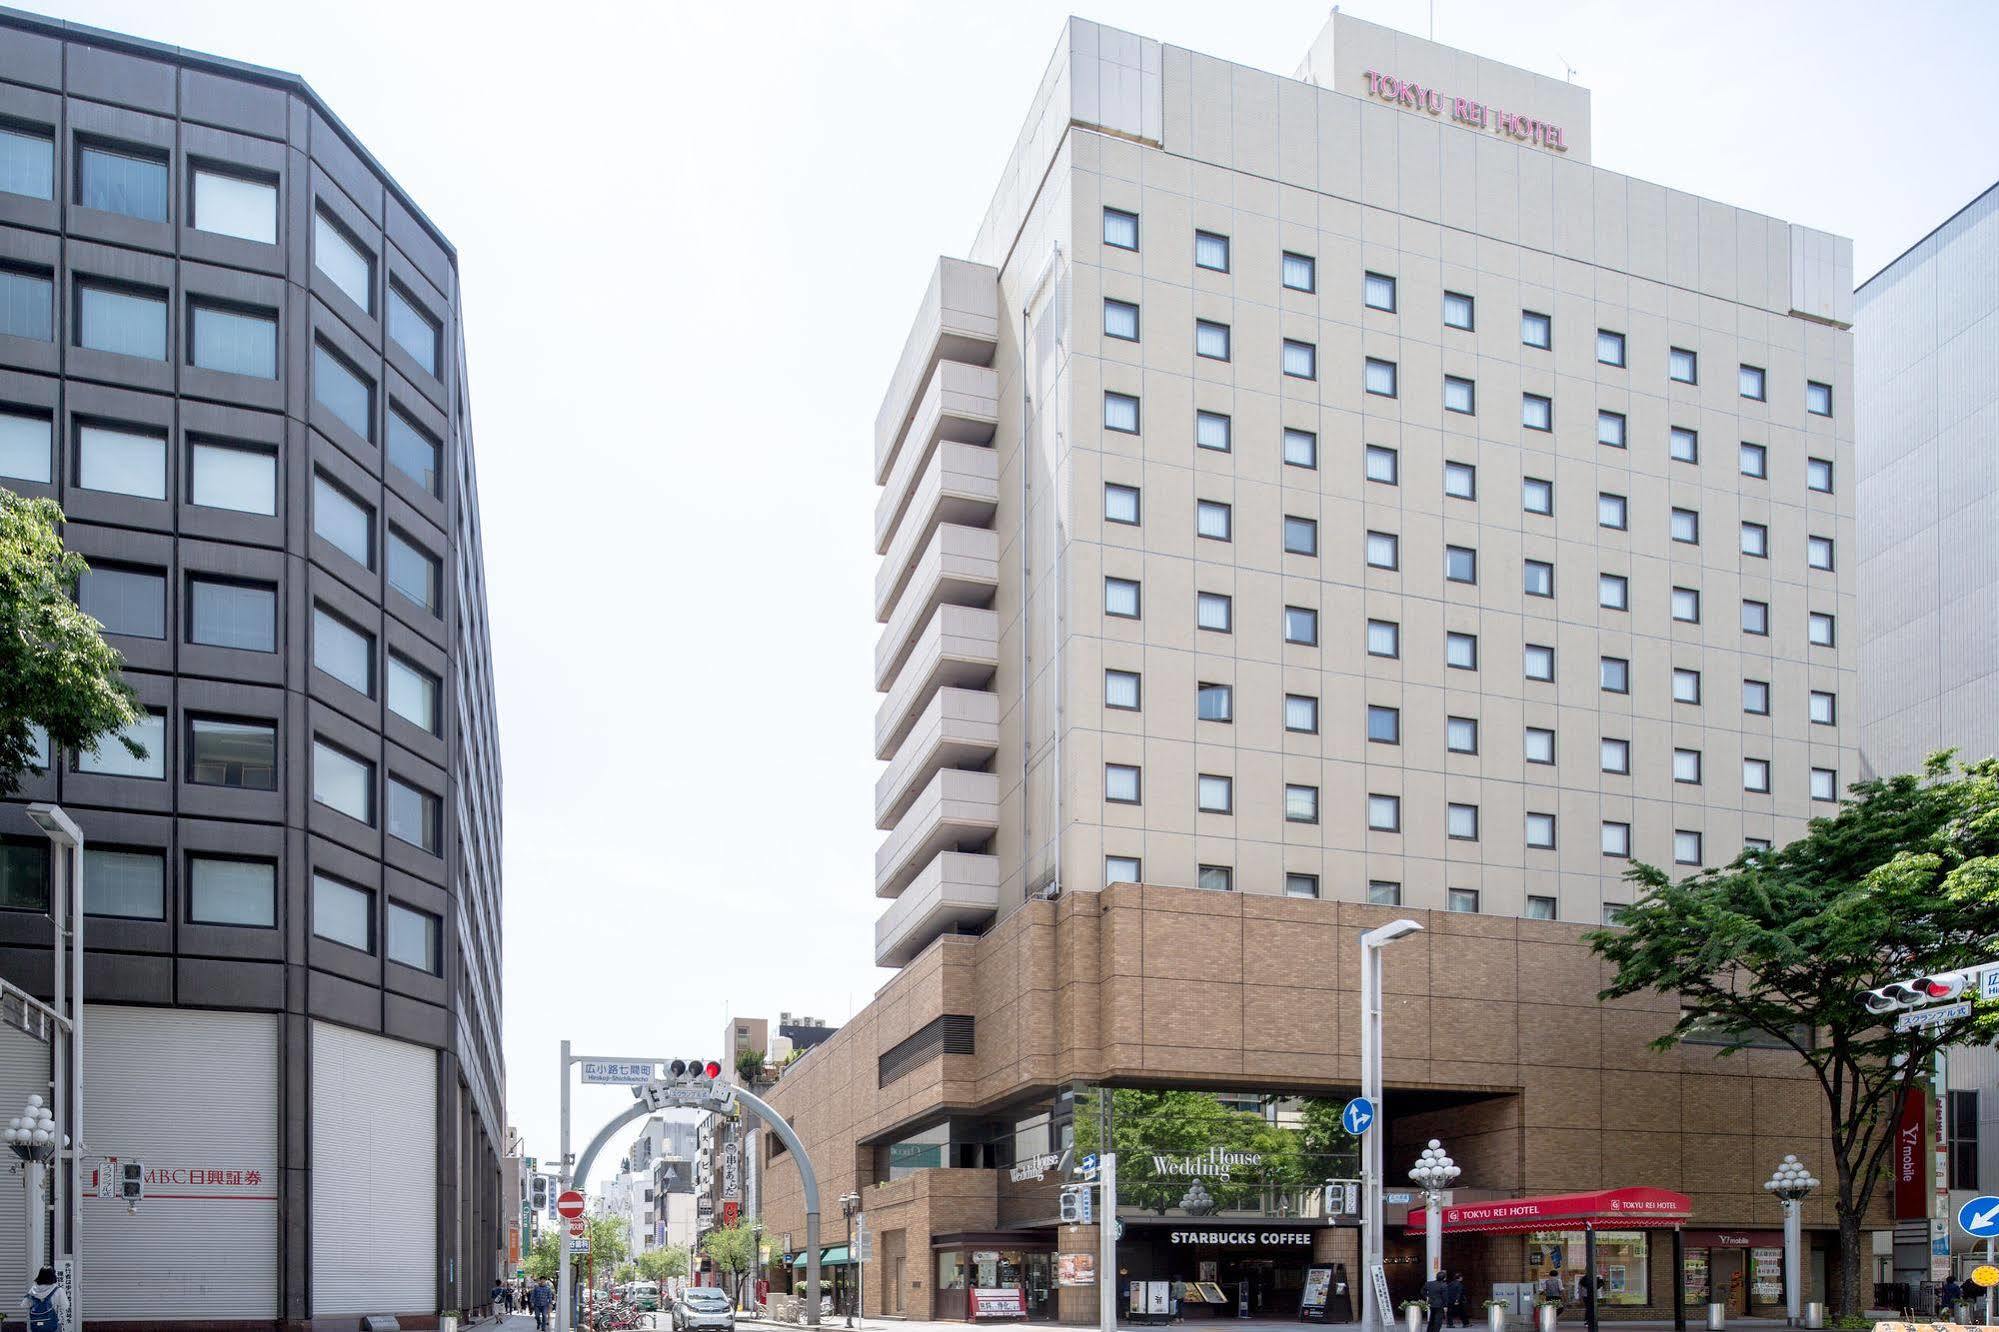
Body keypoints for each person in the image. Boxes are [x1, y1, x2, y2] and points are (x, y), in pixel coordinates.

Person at [20, 1267, 66, 1332]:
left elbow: (23, 1305)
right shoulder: (58, 1290)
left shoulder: (33, 1290)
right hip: (52, 1325)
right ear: (53, 1276)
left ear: (40, 1276)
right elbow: (65, 1306)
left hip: (36, 1326)